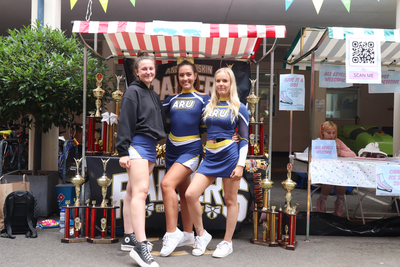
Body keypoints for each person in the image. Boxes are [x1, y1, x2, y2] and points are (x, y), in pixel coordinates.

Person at [185, 67, 249, 258]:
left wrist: (240, 165)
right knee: (190, 194)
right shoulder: (208, 105)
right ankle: (202, 235)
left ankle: (227, 242)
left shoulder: (240, 107)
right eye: (218, 81)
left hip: (230, 155)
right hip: (210, 156)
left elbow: (245, 139)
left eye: (225, 81)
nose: (221, 84)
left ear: (231, 84)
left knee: (230, 200)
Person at [115, 50, 166, 267]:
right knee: (141, 192)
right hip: (136, 145)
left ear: (155, 71)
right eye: (143, 68)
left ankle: (129, 236)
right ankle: (141, 245)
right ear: (136, 72)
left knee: (131, 192)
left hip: (150, 147)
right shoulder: (132, 92)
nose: (148, 71)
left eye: (151, 68)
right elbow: (125, 121)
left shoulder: (153, 95)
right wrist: (123, 151)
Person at [159, 60, 210, 257]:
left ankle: (172, 233)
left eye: (189, 74)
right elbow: (154, 116)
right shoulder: (170, 99)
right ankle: (188, 234)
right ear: (177, 78)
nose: (185, 78)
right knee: (183, 192)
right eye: (182, 75)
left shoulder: (204, 98)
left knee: (166, 185)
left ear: (195, 75)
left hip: (191, 149)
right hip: (171, 149)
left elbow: (214, 121)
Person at [315, 121, 356, 217]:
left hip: (336, 172)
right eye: (329, 133)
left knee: (341, 180)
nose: (331, 136)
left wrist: (341, 152)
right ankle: (322, 200)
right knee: (330, 180)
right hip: (322, 172)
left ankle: (339, 203)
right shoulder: (317, 142)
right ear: (322, 132)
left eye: (334, 133)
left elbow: (353, 154)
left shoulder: (338, 142)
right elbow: (308, 154)